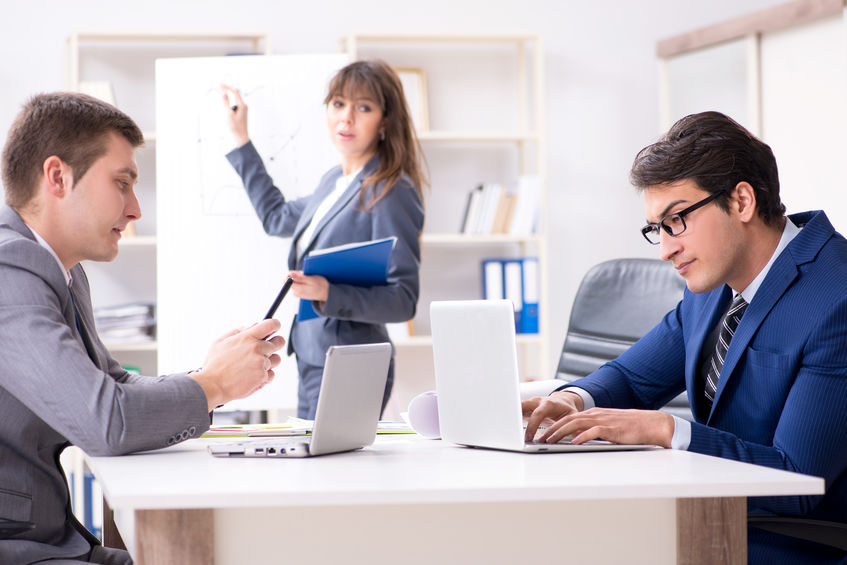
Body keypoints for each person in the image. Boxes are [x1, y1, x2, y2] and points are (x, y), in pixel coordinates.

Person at [523, 111, 847, 564]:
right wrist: (574, 399)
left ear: (741, 201)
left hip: (792, 542)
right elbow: (633, 379)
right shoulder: (714, 285)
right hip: (711, 516)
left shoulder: (836, 297)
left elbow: (797, 481)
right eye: (656, 228)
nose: (665, 249)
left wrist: (667, 429)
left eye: (676, 221)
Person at [0, 92, 285, 565]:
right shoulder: (10, 267)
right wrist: (211, 385)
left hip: (51, 539)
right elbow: (106, 422)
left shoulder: (62, 271)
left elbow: (114, 385)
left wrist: (214, 377)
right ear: (57, 176)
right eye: (122, 183)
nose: (134, 209)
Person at [221, 59, 426, 419]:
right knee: (318, 470)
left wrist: (328, 292)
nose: (346, 118)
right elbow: (276, 217)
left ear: (385, 121)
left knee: (336, 474)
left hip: (351, 363)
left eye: (363, 107)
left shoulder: (391, 191)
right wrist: (242, 140)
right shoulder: (333, 181)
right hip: (315, 355)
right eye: (338, 104)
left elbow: (403, 300)